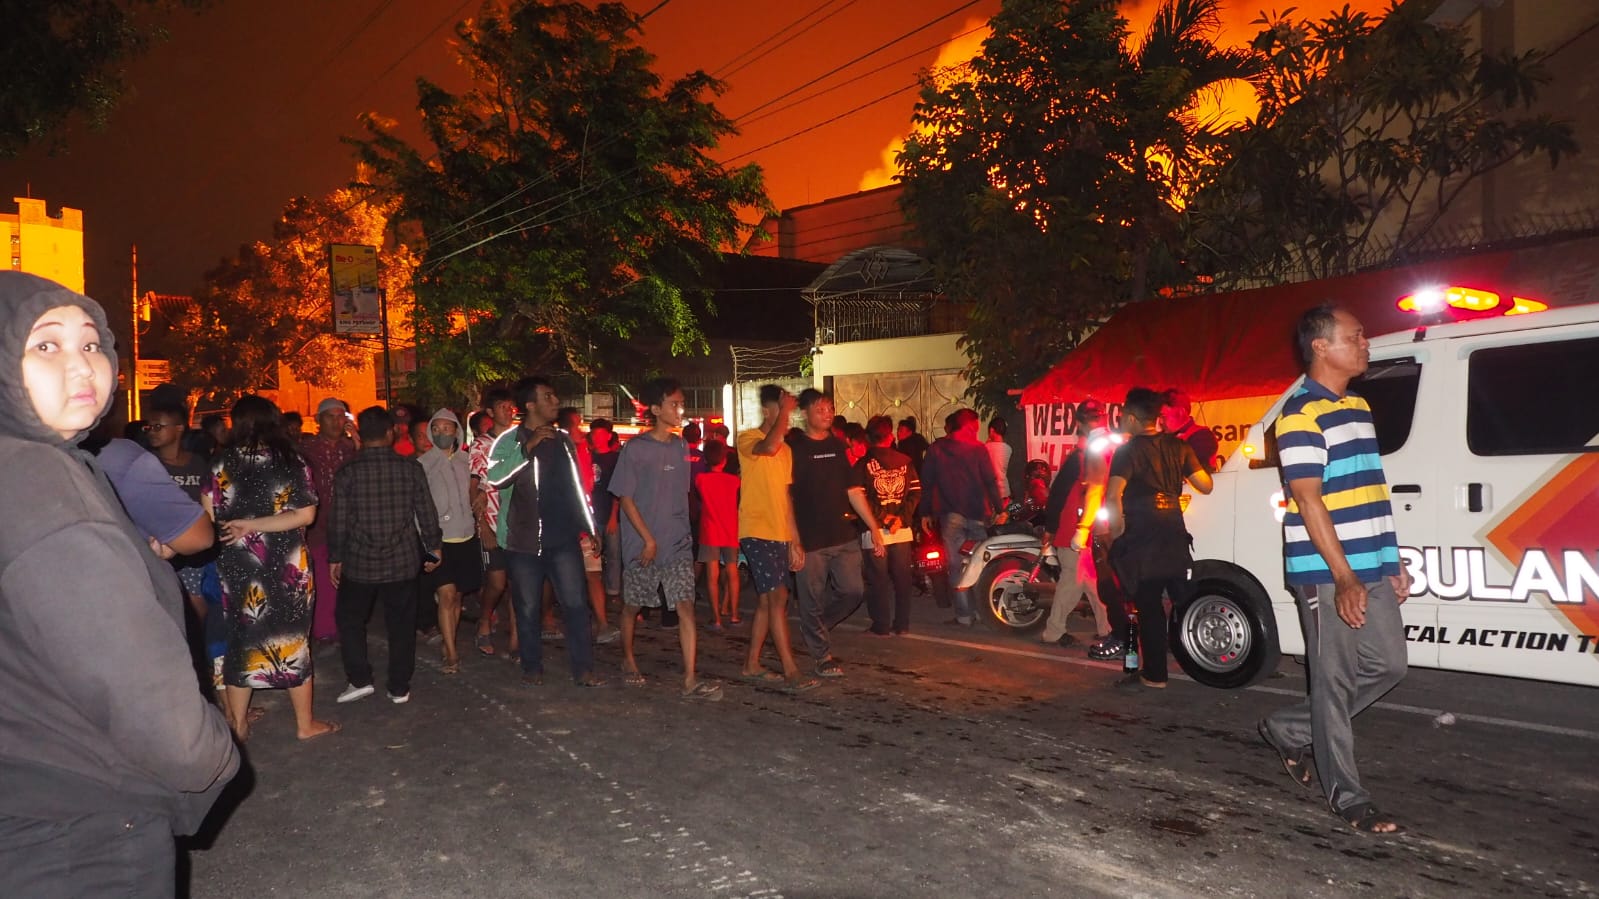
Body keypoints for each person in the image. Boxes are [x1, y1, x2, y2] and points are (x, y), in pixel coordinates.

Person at [0, 274, 239, 898]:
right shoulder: (41, 483)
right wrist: (213, 754)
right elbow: (138, 684)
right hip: (83, 827)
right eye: (45, 346)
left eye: (91, 344)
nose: (81, 366)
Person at [1258, 304, 1410, 835]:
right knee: (1333, 679)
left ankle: (1289, 727)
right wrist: (1343, 577)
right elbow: (1308, 500)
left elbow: (1372, 491)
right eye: (1357, 336)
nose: (1367, 343)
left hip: (1370, 562)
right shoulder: (1299, 414)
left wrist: (1391, 559)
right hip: (1326, 571)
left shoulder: (1358, 407)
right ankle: (1348, 797)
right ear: (1321, 346)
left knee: (1390, 665)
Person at [204, 393, 338, 741]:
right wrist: (257, 524)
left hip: (237, 563)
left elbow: (208, 516)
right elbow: (306, 515)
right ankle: (304, 724)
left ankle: (239, 724)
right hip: (284, 565)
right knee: (292, 638)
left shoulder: (220, 462)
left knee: (241, 639)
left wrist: (242, 526)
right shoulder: (290, 460)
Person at [487, 377, 605, 687]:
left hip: (563, 536)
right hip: (523, 540)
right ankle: (532, 666)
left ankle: (583, 669)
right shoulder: (510, 440)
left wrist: (589, 525)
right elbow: (495, 478)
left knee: (576, 604)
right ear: (530, 405)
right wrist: (527, 448)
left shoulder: (564, 440)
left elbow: (575, 486)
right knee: (527, 607)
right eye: (548, 396)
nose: (555, 401)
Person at [610, 378, 721, 699]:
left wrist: (687, 535)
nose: (680, 409)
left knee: (685, 606)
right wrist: (648, 540)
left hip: (677, 544)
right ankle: (627, 658)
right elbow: (626, 498)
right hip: (642, 546)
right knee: (633, 605)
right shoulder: (635, 449)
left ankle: (690, 679)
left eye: (681, 403)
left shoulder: (681, 446)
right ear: (656, 409)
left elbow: (681, 497)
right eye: (674, 404)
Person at [330, 406, 442, 705]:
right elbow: (426, 512)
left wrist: (335, 557)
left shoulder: (348, 472)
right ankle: (399, 686)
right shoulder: (410, 468)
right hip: (402, 560)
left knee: (350, 619)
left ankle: (359, 679)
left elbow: (338, 520)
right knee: (401, 624)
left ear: (360, 434)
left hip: (359, 561)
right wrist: (434, 546)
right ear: (391, 432)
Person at [1104, 387, 1212, 689]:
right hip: (1174, 534)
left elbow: (1112, 496)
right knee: (1182, 600)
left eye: (1123, 414)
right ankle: (1202, 659)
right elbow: (1206, 485)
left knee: (1149, 606)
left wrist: (1117, 532)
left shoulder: (1127, 452)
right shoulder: (1180, 446)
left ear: (1132, 418)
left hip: (1143, 538)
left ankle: (1155, 674)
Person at [787, 388, 885, 677]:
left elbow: (853, 490)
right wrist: (793, 540)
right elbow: (785, 497)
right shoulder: (794, 449)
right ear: (804, 413)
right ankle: (822, 656)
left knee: (854, 591)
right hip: (810, 539)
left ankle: (815, 627)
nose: (827, 414)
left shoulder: (839, 446)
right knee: (812, 599)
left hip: (843, 536)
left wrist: (874, 527)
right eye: (820, 409)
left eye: (830, 408)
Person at [735, 385, 819, 693]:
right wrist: (785, 411)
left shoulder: (787, 451)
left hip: (778, 532)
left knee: (767, 601)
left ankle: (751, 664)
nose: (788, 417)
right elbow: (767, 447)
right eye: (781, 410)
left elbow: (785, 498)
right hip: (756, 530)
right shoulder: (748, 439)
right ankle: (791, 670)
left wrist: (794, 540)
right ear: (767, 411)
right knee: (778, 597)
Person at [1039, 399, 1123, 652]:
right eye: (1092, 419)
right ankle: (1054, 632)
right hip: (1074, 528)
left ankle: (1109, 629)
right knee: (1073, 581)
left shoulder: (1103, 450)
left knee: (1096, 582)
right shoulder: (1081, 457)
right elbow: (1058, 494)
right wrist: (1052, 529)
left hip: (1090, 529)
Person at [919, 408, 1002, 627]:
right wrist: (1000, 508)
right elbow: (990, 481)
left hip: (951, 515)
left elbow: (927, 483)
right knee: (981, 563)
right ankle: (983, 611)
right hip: (978, 514)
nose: (977, 429)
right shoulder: (979, 449)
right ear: (968, 425)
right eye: (976, 425)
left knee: (956, 565)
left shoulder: (937, 449)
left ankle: (965, 615)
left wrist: (925, 512)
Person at [417, 408, 482, 674]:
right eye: (436, 428)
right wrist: (427, 549)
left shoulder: (468, 461)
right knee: (445, 595)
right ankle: (452, 654)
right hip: (437, 542)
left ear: (456, 430)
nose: (441, 433)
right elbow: (418, 510)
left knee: (456, 596)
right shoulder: (423, 464)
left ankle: (449, 640)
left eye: (446, 428)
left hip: (466, 537)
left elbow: (480, 491)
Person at [856, 415, 920, 635]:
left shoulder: (863, 464)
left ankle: (881, 625)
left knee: (877, 580)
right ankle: (902, 624)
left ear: (868, 438)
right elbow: (915, 492)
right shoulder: (906, 462)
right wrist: (901, 518)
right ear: (890, 436)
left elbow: (860, 498)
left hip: (874, 531)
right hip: (901, 531)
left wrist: (885, 518)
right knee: (902, 579)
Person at [301, 397, 356, 644]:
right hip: (318, 526)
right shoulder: (307, 450)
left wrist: (357, 440)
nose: (336, 422)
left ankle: (343, 625)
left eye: (340, 416)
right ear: (318, 420)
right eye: (330, 417)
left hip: (348, 525)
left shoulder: (350, 448)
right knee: (323, 579)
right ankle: (325, 628)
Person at [560, 406, 617, 644]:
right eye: (577, 424)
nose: (582, 430)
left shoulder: (584, 451)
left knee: (594, 574)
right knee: (567, 579)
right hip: (564, 527)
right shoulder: (557, 451)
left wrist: (592, 526)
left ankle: (602, 624)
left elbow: (588, 490)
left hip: (585, 525)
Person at [470, 387, 518, 658]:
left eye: (511, 407)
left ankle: (517, 640)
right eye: (502, 407)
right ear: (490, 412)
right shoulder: (482, 444)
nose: (508, 411)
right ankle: (484, 620)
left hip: (518, 524)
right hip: (492, 521)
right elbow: (474, 487)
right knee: (497, 583)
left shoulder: (520, 440)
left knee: (518, 584)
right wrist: (483, 525)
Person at [694, 439, 740, 630]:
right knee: (732, 572)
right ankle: (734, 615)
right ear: (724, 460)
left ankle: (716, 618)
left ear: (706, 459)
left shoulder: (701, 479)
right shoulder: (734, 481)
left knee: (712, 575)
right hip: (731, 530)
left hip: (710, 530)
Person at [1162, 387, 1221, 473]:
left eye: (1163, 416)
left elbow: (1189, 468)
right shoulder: (1164, 436)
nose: (1160, 421)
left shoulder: (1203, 436)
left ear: (1180, 412)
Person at [986, 415, 1013, 505]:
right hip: (1005, 491)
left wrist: (987, 442)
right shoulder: (1008, 449)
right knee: (1006, 512)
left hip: (991, 492)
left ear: (991, 430)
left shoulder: (985, 448)